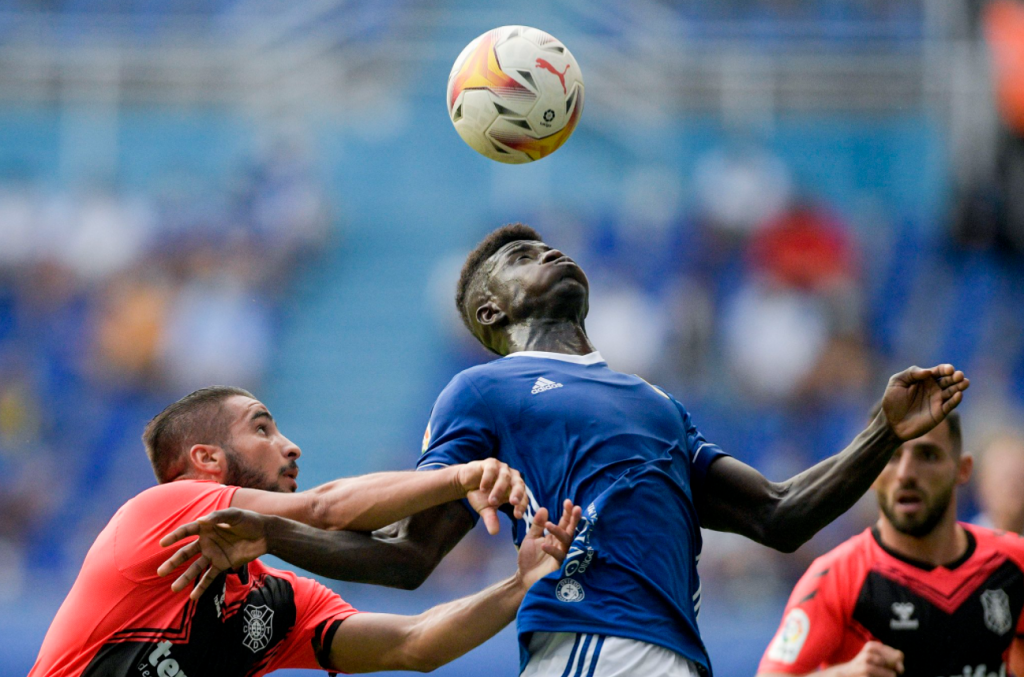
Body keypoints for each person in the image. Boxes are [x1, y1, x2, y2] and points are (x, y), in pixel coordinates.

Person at [164, 224, 970, 677]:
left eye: (543, 246)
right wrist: (275, 534)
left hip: (674, 658)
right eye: (519, 259)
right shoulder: (486, 389)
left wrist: (881, 431)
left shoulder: (656, 403)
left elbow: (780, 515)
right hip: (591, 645)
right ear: (489, 307)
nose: (545, 253)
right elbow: (409, 557)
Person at [30, 385, 581, 676]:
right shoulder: (162, 511)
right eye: (263, 428)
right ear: (206, 459)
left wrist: (518, 586)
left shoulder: (277, 602)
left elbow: (414, 646)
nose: (291, 446)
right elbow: (324, 510)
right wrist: (461, 476)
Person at [756, 410, 1024, 677]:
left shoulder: (1013, 562)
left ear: (962, 470)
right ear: (869, 471)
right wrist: (841, 675)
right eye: (891, 457)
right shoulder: (836, 577)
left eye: (927, 455)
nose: (906, 473)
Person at [973, 430, 1024, 535]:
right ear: (983, 485)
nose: (1012, 489)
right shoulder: (965, 542)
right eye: (1005, 479)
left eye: (1019, 478)